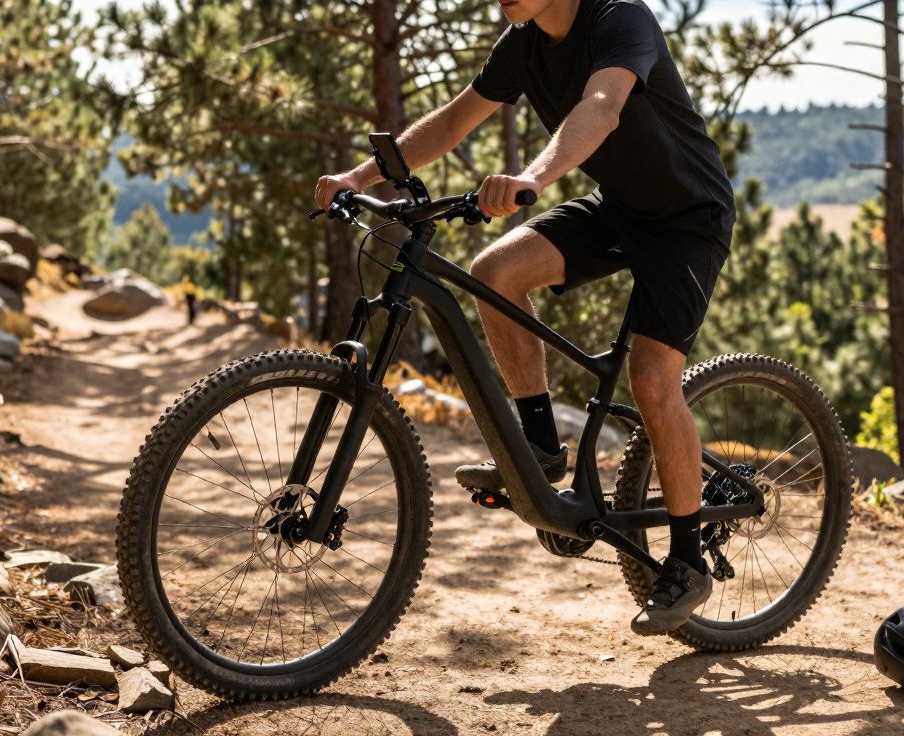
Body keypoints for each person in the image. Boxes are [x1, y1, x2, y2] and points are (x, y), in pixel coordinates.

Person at [314, 0, 734, 635]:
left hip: (687, 220)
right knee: (496, 272)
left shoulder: (619, 17)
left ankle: (684, 560)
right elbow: (453, 120)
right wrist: (362, 172)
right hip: (619, 207)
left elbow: (601, 107)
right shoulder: (521, 42)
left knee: (651, 379)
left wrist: (533, 176)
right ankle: (539, 447)